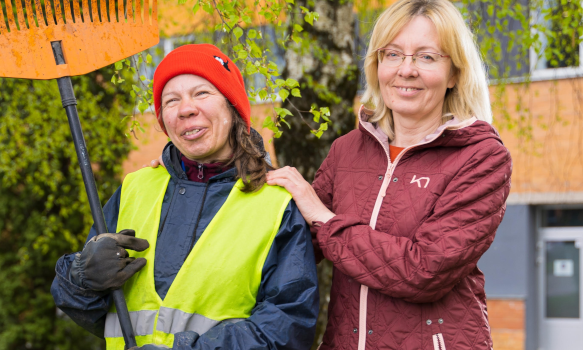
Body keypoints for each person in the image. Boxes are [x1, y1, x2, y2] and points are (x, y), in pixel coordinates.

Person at [266, 0, 513, 349]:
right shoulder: (347, 150)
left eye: (426, 57)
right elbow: (292, 240)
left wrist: (324, 217)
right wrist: (185, 173)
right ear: (377, 64)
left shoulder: (481, 158)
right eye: (393, 54)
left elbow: (424, 271)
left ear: (455, 73)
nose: (406, 70)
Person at [51, 44, 319, 350]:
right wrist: (83, 280)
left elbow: (287, 326)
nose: (185, 109)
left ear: (232, 107)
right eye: (171, 100)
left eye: (201, 93)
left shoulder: (276, 205)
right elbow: (97, 314)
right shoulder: (135, 189)